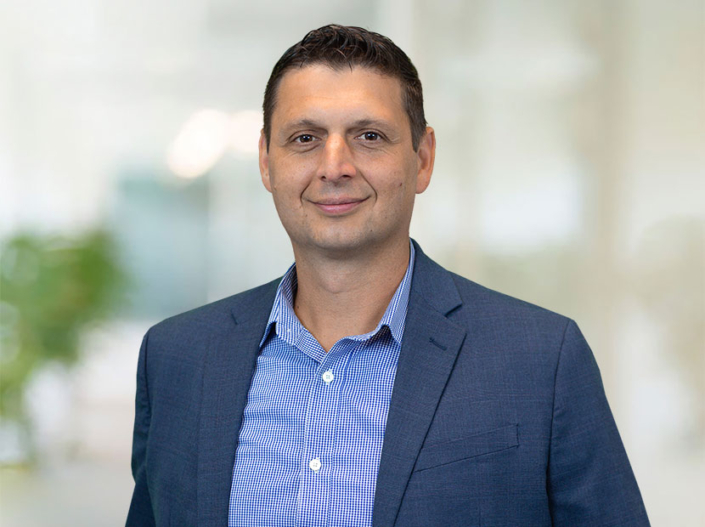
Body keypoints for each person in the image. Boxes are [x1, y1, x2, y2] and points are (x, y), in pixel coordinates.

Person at [126, 24, 650, 527]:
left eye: (369, 136)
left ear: (423, 159)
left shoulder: (541, 359)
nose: (335, 166)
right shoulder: (178, 359)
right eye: (305, 138)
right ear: (266, 161)